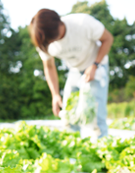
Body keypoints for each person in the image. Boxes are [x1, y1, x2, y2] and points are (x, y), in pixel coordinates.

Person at [29, 9, 114, 137]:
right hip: (74, 69)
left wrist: (94, 65)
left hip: (96, 65)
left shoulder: (82, 23)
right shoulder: (44, 41)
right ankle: (74, 149)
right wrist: (55, 94)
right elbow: (49, 67)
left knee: (96, 115)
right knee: (69, 114)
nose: (53, 43)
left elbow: (108, 39)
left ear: (59, 24)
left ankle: (102, 148)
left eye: (54, 39)